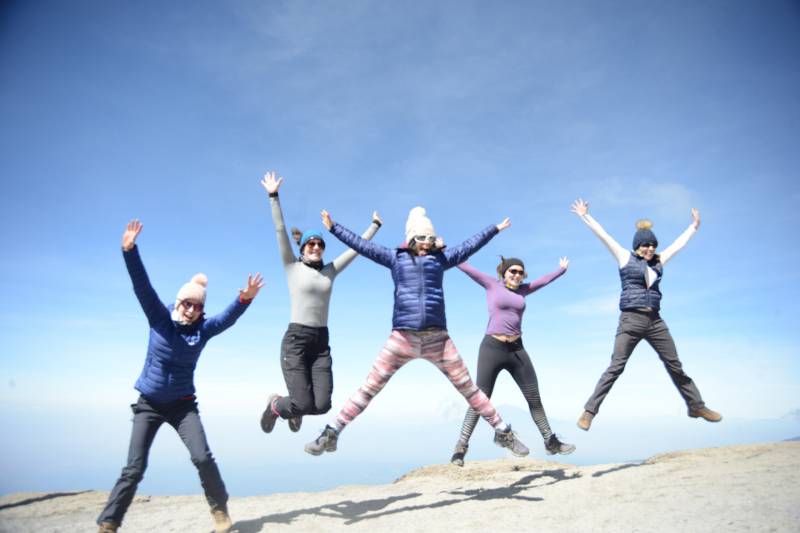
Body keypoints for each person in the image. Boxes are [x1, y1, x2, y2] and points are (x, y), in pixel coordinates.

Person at [304, 206, 529, 457]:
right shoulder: (395, 258)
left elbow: (469, 246)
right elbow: (362, 246)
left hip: (438, 340)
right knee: (369, 387)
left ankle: (503, 432)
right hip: (402, 337)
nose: (426, 243)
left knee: (469, 388)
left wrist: (494, 229)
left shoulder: (441, 260)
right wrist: (334, 228)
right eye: (422, 238)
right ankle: (331, 433)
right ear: (411, 238)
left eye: (430, 238)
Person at [97, 220, 264, 533]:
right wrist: (129, 251)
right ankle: (109, 522)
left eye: (197, 306)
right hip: (149, 404)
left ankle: (219, 511)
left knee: (202, 457)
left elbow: (226, 319)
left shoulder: (202, 330)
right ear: (178, 302)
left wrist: (245, 299)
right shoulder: (159, 318)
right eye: (187, 304)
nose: (191, 310)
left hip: (183, 406)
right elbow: (142, 287)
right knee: (134, 468)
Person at [570, 198, 722, 431]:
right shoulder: (625, 257)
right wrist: (585, 216)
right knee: (616, 366)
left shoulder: (659, 261)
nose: (650, 249)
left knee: (675, 364)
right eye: (645, 245)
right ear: (637, 246)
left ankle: (696, 406)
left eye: (652, 245)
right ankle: (589, 412)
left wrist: (693, 227)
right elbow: (604, 235)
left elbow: (678, 245)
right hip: (630, 320)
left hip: (655, 321)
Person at [258, 171, 381, 434]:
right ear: (302, 248)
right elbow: (280, 230)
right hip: (296, 341)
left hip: (321, 342)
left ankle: (294, 409)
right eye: (310, 244)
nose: (315, 247)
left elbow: (356, 250)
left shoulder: (330, 271)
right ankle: (276, 406)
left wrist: (374, 226)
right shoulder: (292, 267)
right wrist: (273, 196)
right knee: (302, 403)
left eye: (319, 244)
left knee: (322, 405)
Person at [450, 256, 575, 467]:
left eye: (520, 272)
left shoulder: (523, 290)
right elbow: (467, 268)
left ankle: (551, 441)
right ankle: (460, 448)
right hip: (492, 348)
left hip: (517, 349)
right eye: (513, 271)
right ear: (504, 272)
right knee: (480, 399)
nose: (517, 275)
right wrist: (445, 252)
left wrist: (560, 270)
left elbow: (543, 281)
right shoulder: (491, 284)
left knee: (533, 397)